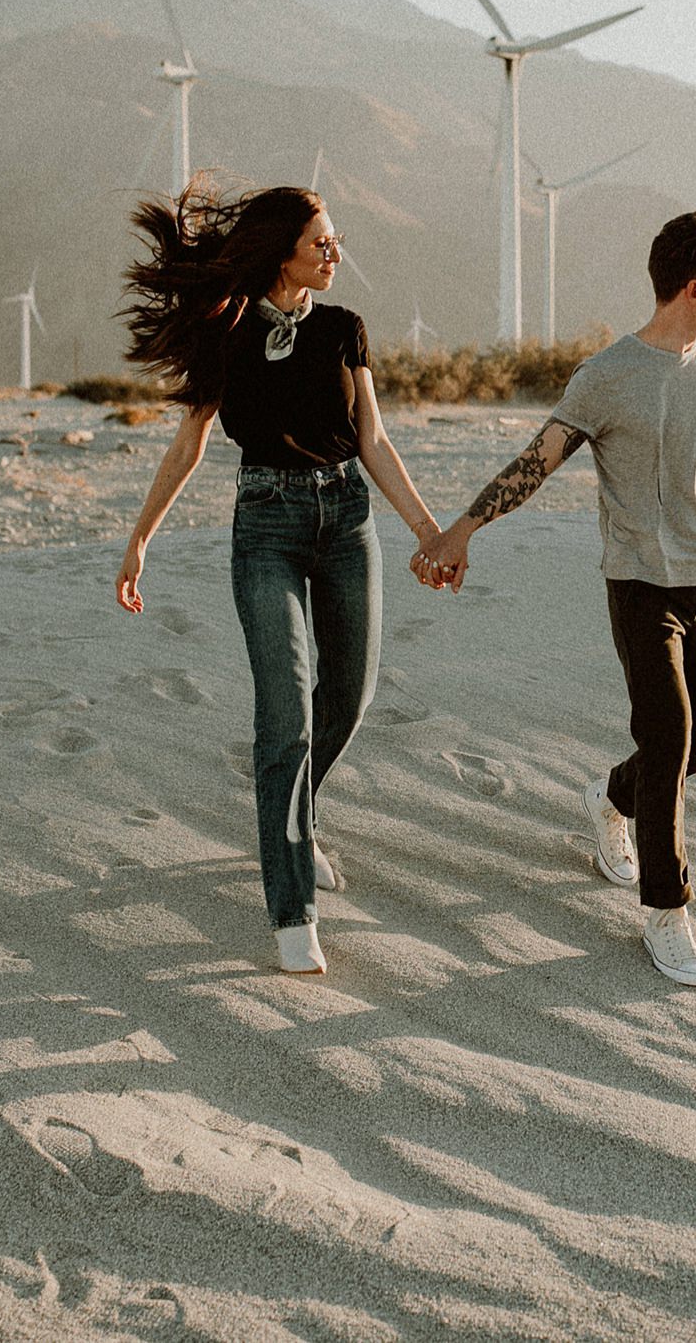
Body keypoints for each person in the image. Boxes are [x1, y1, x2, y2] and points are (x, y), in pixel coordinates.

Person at [413, 212, 696, 987]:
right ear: (694, 287)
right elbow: (536, 463)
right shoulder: (606, 376)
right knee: (669, 738)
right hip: (640, 584)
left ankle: (609, 797)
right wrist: (460, 531)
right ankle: (667, 911)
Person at [114, 179, 444, 976]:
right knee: (284, 714)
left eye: (335, 239)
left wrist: (432, 531)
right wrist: (140, 540)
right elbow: (190, 442)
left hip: (348, 520)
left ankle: (290, 812)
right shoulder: (224, 331)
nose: (337, 252)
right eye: (322, 241)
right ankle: (291, 905)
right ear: (283, 252)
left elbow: (373, 439)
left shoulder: (342, 328)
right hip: (265, 523)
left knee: (350, 696)